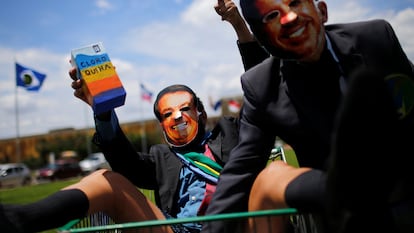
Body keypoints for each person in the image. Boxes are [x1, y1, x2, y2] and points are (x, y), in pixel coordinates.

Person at [204, 0, 414, 233]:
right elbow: (241, 169)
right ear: (262, 38)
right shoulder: (261, 86)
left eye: (295, 3)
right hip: (339, 212)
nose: (290, 17)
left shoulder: (375, 38)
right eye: (272, 16)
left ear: (321, 10)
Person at [0, 73, 240, 232]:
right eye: (167, 114)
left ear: (202, 113)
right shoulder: (161, 158)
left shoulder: (231, 135)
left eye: (185, 108)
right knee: (107, 180)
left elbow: (264, 101)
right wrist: (102, 108)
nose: (177, 117)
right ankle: (18, 219)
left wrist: (241, 29)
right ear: (162, 126)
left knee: (278, 171)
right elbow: (123, 159)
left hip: (238, 226)